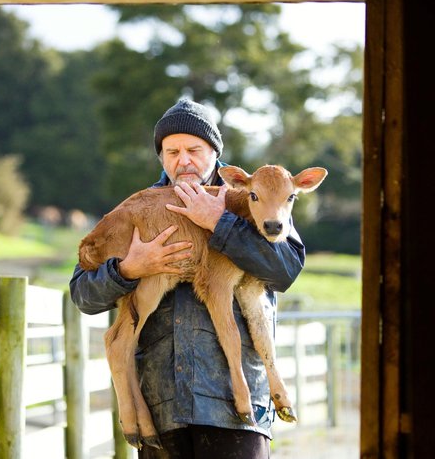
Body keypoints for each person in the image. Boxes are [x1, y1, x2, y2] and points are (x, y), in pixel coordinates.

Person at [69, 98, 306, 459]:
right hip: (164, 406)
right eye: (172, 151)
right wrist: (128, 269)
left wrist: (219, 223)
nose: (184, 160)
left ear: (214, 151)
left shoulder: (261, 199)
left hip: (236, 409)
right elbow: (83, 295)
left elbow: (285, 268)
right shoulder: (142, 207)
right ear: (161, 157)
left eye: (194, 149)